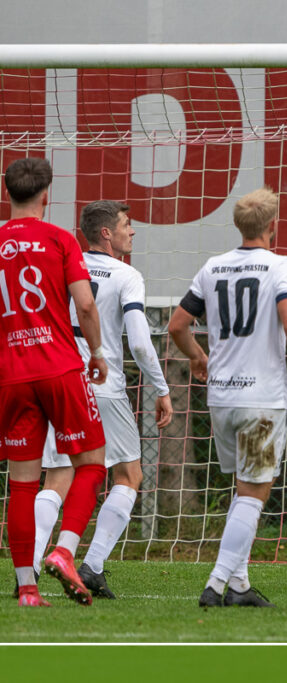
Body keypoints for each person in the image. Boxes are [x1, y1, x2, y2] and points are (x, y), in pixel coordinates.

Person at [168, 187, 287, 607]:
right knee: (255, 493)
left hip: (222, 398)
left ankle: (239, 586)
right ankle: (216, 584)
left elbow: (177, 325)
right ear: (273, 226)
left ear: (239, 225)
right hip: (260, 402)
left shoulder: (213, 267)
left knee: (244, 490)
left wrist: (197, 356)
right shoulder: (280, 266)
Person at [29, 201, 173, 600]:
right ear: (107, 233)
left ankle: (30, 568)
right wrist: (161, 388)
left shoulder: (62, 267)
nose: (133, 231)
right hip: (103, 384)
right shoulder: (126, 275)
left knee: (57, 477)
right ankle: (91, 565)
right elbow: (140, 343)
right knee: (128, 475)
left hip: (60, 381)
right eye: (127, 225)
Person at [0, 157, 108, 607]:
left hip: (12, 374)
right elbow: (85, 304)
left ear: (7, 193)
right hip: (60, 367)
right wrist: (97, 351)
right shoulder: (61, 239)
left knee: (22, 483)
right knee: (93, 463)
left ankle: (27, 589)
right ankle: (64, 551)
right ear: (46, 195)